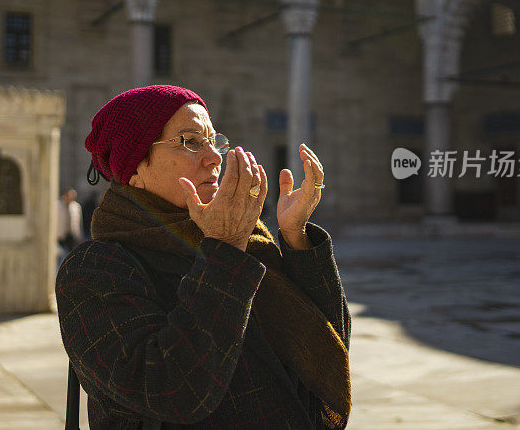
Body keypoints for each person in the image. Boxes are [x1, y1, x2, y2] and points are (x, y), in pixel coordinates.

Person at [56, 85, 351, 429]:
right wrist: (224, 249)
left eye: (214, 141)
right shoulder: (94, 270)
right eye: (189, 141)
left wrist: (295, 235)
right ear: (134, 167)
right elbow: (174, 391)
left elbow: (329, 349)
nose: (214, 157)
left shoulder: (249, 240)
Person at [57, 188, 83, 268]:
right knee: (60, 255)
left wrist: (79, 235)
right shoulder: (58, 205)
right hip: (60, 235)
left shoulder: (75, 207)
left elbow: (78, 222)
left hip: (71, 235)